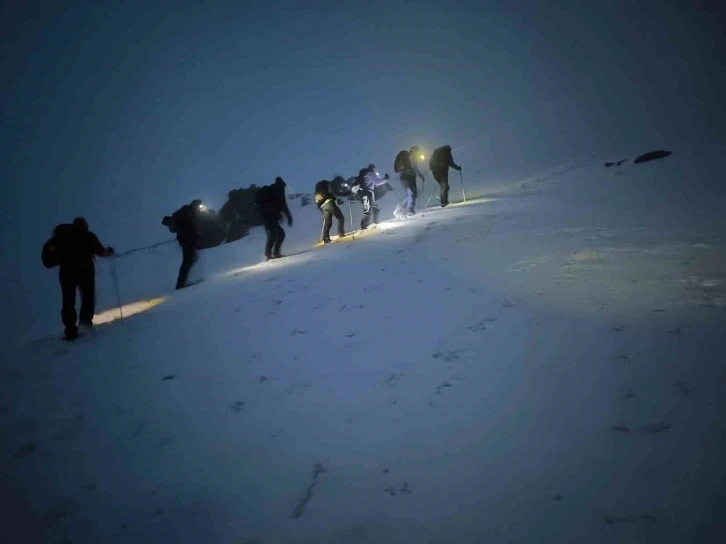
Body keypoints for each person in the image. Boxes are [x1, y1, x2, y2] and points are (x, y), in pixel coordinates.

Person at [41, 217, 114, 341]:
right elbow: (100, 251)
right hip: (86, 272)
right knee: (87, 296)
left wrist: (59, 260)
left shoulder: (60, 239)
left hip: (66, 273)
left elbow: (47, 258)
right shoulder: (88, 236)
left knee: (68, 300)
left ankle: (70, 329)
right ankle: (85, 323)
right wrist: (109, 252)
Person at [255, 177, 293, 260]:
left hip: (271, 218)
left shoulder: (278, 193)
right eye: (283, 186)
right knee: (273, 233)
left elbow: (283, 206)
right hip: (267, 217)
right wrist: (289, 217)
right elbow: (283, 206)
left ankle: (275, 253)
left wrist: (289, 217)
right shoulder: (274, 192)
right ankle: (268, 255)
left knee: (280, 234)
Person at [394, 146, 426, 217]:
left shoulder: (414, 158)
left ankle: (402, 209)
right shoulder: (409, 156)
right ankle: (409, 210)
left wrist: (421, 176)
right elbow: (413, 168)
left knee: (413, 194)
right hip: (406, 177)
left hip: (410, 177)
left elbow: (415, 169)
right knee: (411, 193)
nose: (418, 153)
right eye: (418, 151)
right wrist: (421, 176)